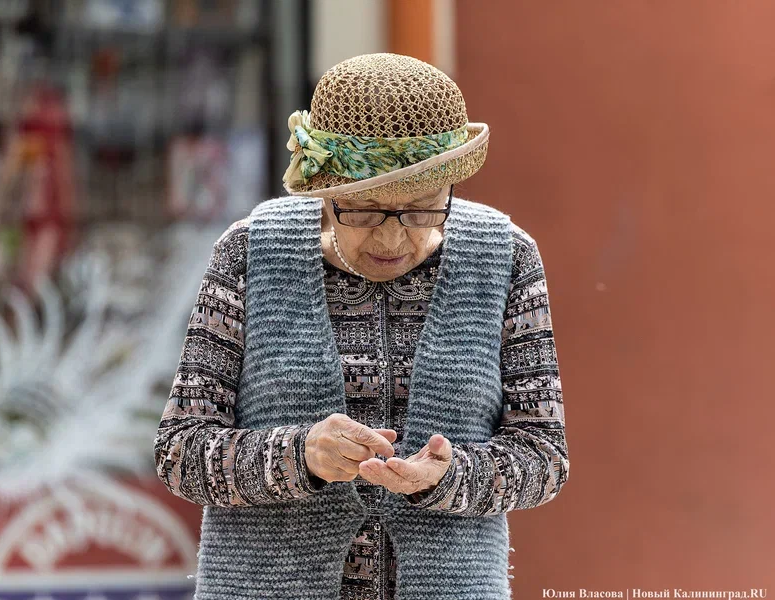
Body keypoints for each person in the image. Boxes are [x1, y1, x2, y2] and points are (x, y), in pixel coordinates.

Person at [154, 53, 569, 600]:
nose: (393, 240)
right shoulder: (250, 253)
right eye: (366, 211)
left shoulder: (504, 257)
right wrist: (298, 456)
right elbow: (180, 451)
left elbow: (545, 455)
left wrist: (449, 479)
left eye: (421, 210)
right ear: (323, 194)